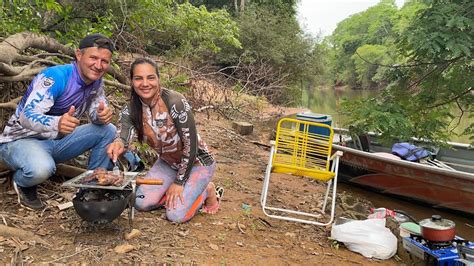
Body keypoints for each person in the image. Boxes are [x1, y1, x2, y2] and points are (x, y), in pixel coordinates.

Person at [0, 33, 117, 210]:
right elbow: (26, 116)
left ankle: (93, 187)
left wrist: (100, 116)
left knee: (107, 129)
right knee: (41, 169)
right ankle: (22, 182)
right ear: (79, 55)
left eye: (104, 61)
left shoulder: (96, 81)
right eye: (93, 58)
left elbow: (95, 112)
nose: (98, 65)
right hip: (20, 141)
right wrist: (56, 123)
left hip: (55, 141)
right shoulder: (55, 77)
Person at [107, 57, 221, 223]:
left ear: (158, 79)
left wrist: (179, 182)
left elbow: (191, 144)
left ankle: (207, 190)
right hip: (168, 163)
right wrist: (117, 144)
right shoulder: (130, 110)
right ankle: (177, 192)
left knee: (175, 215)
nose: (145, 83)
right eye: (138, 78)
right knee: (140, 202)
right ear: (132, 81)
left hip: (197, 162)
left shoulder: (175, 102)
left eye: (150, 77)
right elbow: (123, 136)